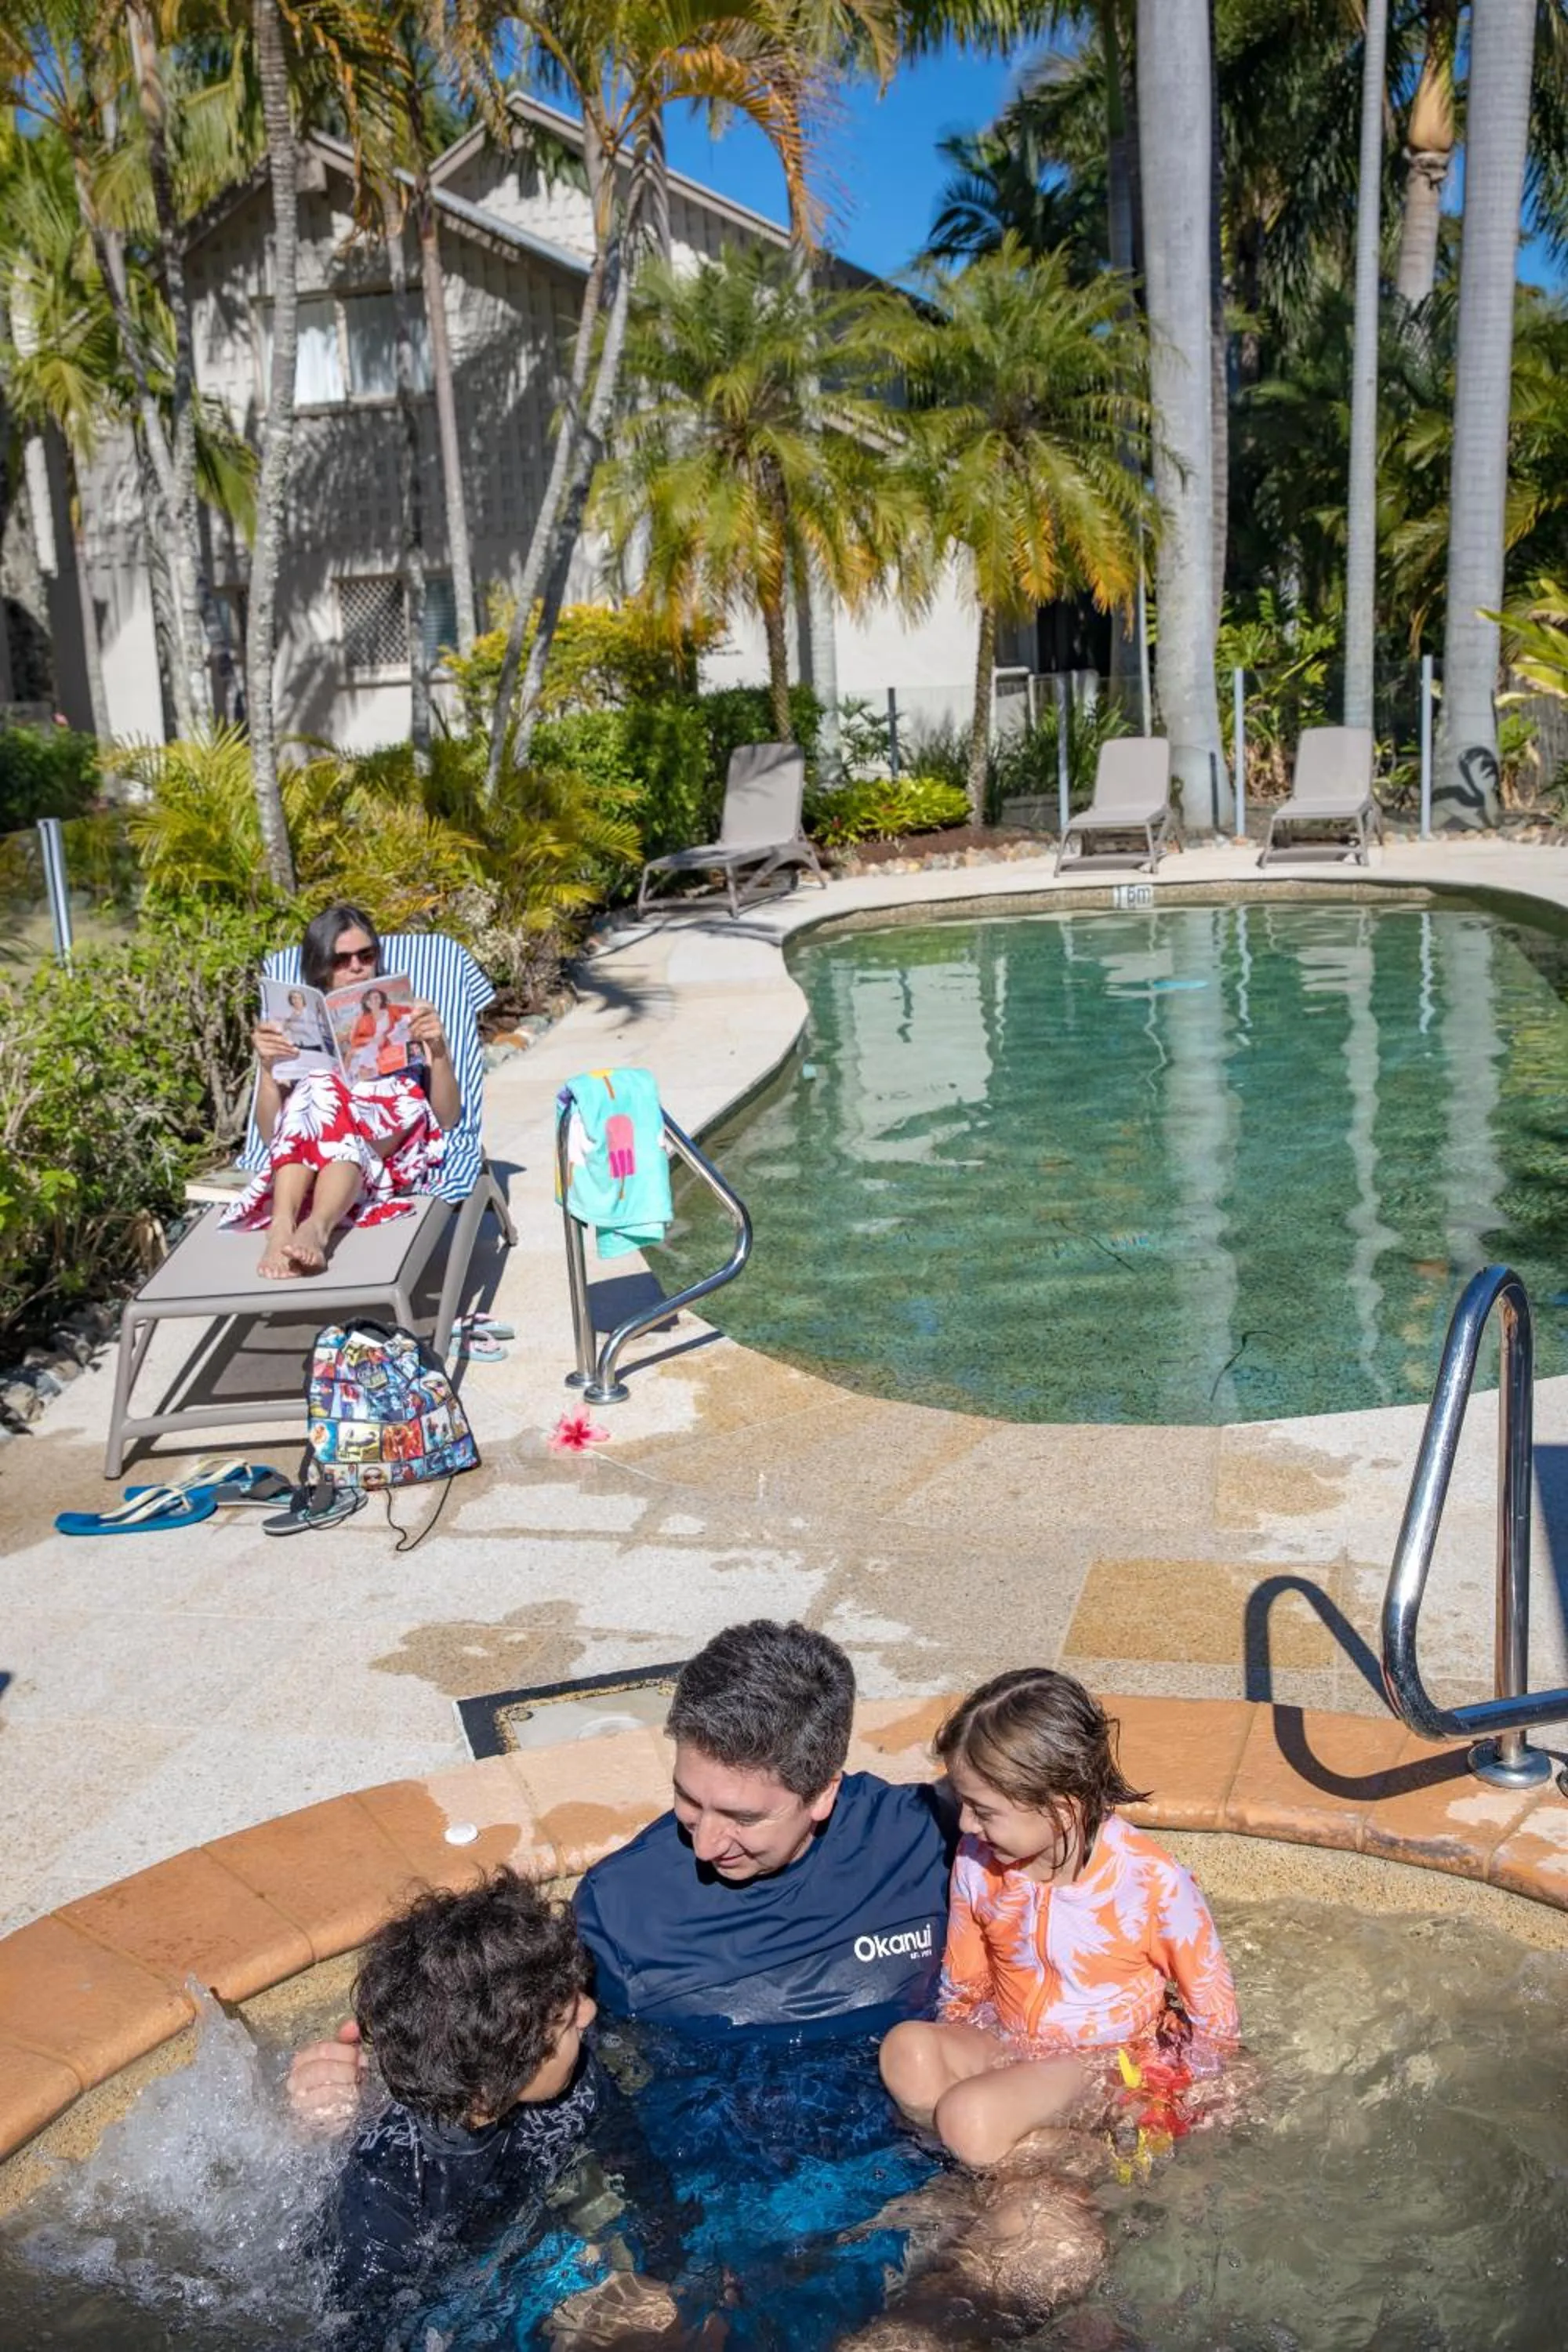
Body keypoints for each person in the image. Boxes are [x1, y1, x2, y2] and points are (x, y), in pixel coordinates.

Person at [877, 1668, 1240, 2174]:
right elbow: (964, 1983)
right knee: (907, 2050)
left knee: (969, 2115)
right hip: (1010, 2041)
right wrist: (967, 2048)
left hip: (1106, 2067)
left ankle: (1088, 2158)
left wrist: (1197, 2097)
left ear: (1061, 1810)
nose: (964, 1824)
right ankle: (988, 2163)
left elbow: (1215, 2017)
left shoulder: (1150, 1882)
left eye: (983, 1811)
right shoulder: (978, 1861)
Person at [324, 1871, 601, 2311]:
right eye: (566, 2021)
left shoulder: (567, 2072)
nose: (590, 2011)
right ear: (489, 2088)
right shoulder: (392, 2201)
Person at [225, 903, 459, 1281]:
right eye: (341, 960)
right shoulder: (294, 1024)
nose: (356, 967)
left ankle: (315, 1226)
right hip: (320, 1138)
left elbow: (448, 1118)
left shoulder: (410, 1014)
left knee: (329, 1099)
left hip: (389, 1134)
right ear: (320, 966)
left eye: (366, 956)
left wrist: (439, 1049)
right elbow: (273, 1136)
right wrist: (268, 1072)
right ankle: (285, 1226)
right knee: (320, 1087)